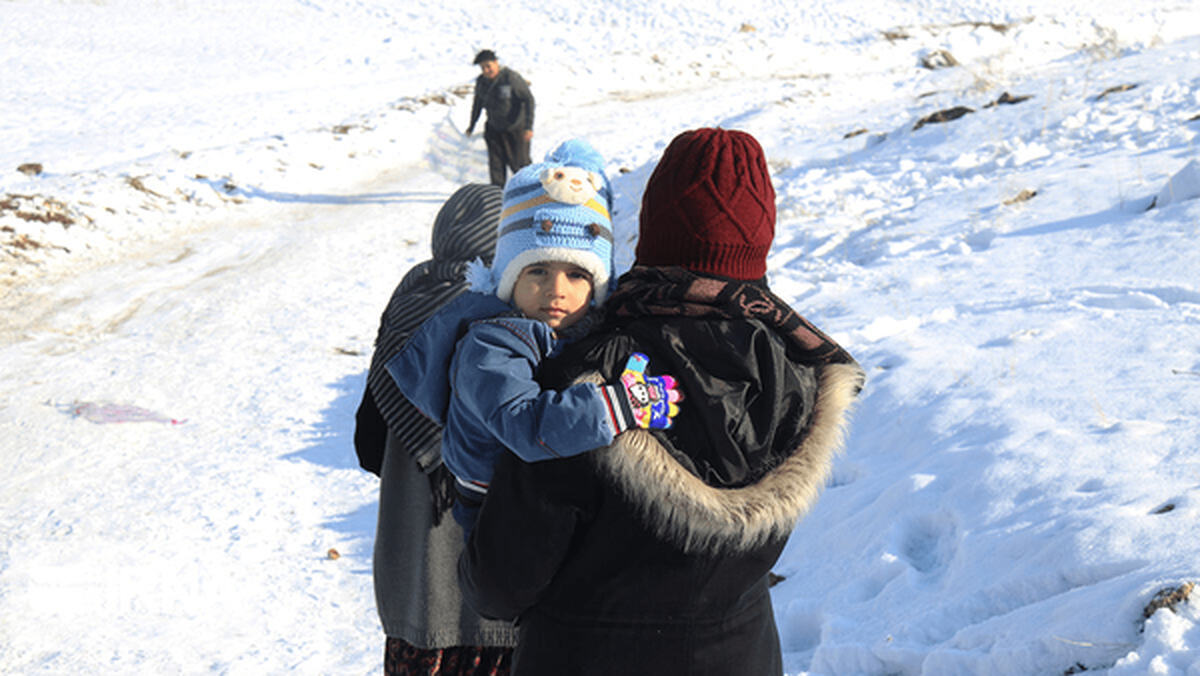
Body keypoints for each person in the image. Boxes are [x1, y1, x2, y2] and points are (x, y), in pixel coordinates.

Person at [458, 128, 867, 675]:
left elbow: (500, 583)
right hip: (741, 657)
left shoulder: (588, 380)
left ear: (652, 231)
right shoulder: (801, 376)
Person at [388, 138, 680, 533]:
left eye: (576, 275)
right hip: (497, 513)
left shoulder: (575, 330)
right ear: (509, 280)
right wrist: (616, 407)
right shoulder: (490, 343)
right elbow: (523, 425)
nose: (556, 290)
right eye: (538, 271)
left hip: (536, 496)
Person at [353, 183, 517, 675]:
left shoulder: (406, 309)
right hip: (498, 585)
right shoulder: (515, 317)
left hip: (419, 585)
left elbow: (368, 445)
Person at [465, 49, 535, 187]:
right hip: (494, 128)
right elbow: (477, 104)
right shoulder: (482, 82)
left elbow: (528, 100)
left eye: (488, 66)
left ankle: (531, 191)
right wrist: (471, 125)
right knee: (496, 166)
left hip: (515, 129)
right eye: (483, 68)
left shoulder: (510, 78)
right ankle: (498, 194)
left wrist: (528, 127)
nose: (486, 70)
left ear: (496, 63)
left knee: (520, 164)